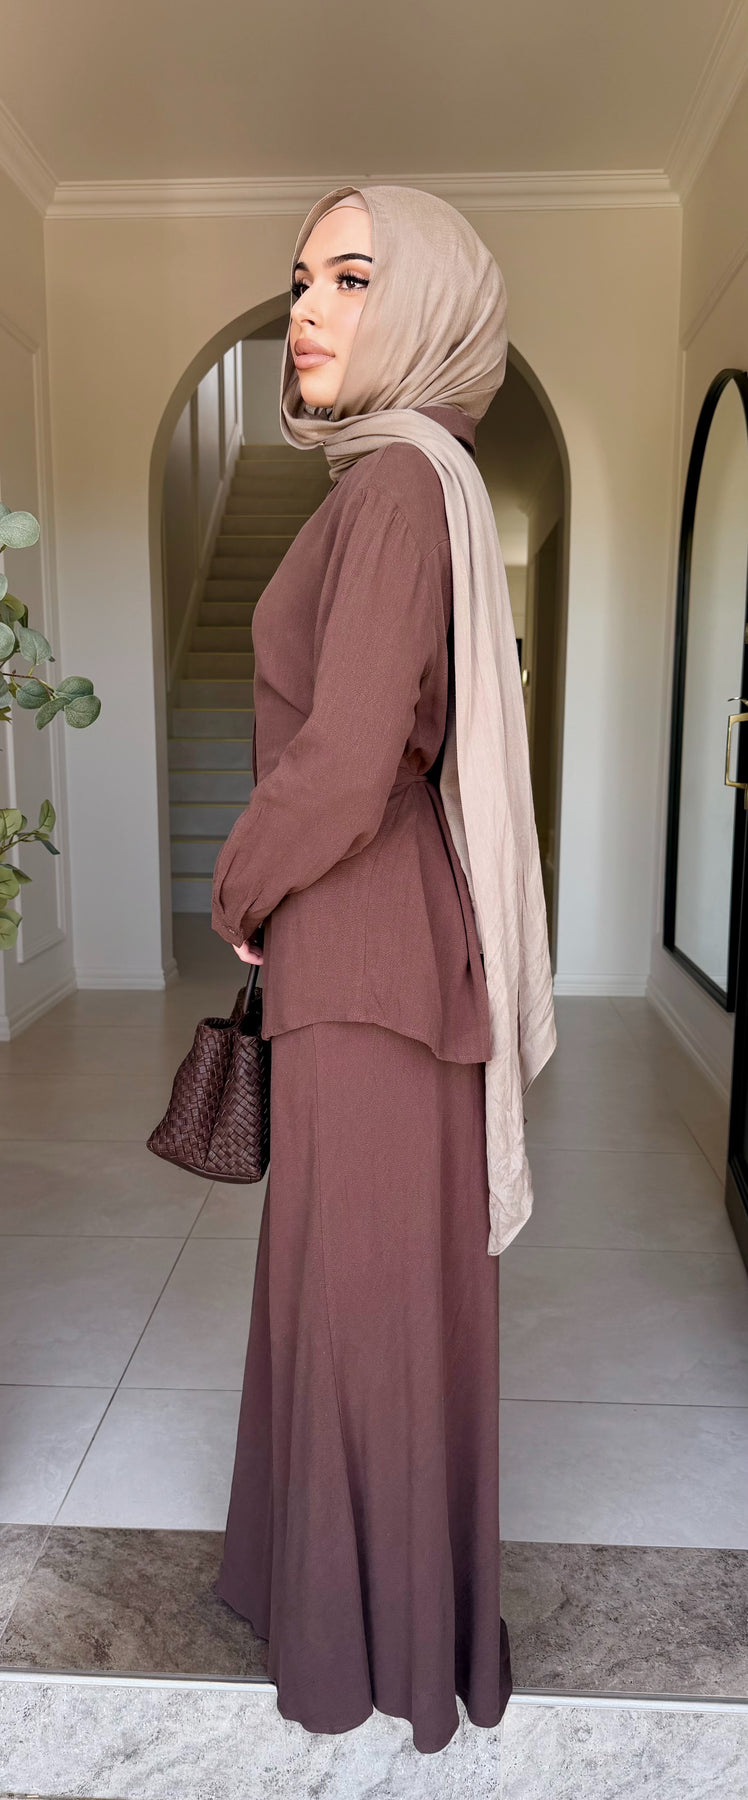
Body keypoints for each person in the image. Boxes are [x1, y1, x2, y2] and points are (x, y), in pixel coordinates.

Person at [210, 184, 556, 1755]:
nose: (308, 308)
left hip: (362, 948)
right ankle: (360, 1612)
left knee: (362, 1305)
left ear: (425, 305)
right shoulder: (401, 481)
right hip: (369, 949)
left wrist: (239, 882)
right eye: (302, 278)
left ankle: (372, 1648)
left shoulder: (401, 486)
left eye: (353, 277)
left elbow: (348, 756)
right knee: (358, 1295)